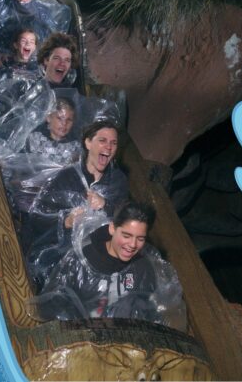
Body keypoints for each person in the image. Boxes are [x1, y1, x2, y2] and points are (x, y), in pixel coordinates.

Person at [35, 202, 185, 328]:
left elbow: (150, 312)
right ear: (113, 229)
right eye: (126, 236)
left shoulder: (143, 267)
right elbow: (49, 307)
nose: (132, 245)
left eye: (140, 239)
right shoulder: (80, 261)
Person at [23, 120, 129, 285]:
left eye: (113, 143)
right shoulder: (67, 177)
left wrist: (105, 205)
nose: (108, 147)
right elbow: (37, 217)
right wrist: (66, 221)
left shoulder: (118, 181)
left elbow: (127, 221)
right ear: (88, 143)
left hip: (101, 254)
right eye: (102, 141)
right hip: (63, 253)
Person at [26, 97, 81, 165]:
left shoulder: (76, 146)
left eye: (69, 120)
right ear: (48, 117)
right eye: (60, 118)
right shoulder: (34, 139)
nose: (64, 124)